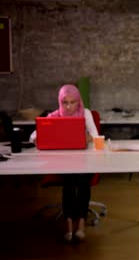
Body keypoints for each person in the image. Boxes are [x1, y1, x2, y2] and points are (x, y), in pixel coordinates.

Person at [30, 84, 98, 242]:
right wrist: (42, 136)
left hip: (84, 161)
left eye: (72, 102)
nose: (68, 106)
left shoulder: (85, 113)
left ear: (78, 101)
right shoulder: (54, 116)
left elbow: (96, 137)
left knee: (81, 180)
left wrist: (85, 137)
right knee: (70, 180)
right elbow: (33, 136)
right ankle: (69, 223)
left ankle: (80, 222)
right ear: (60, 102)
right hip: (63, 163)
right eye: (65, 102)